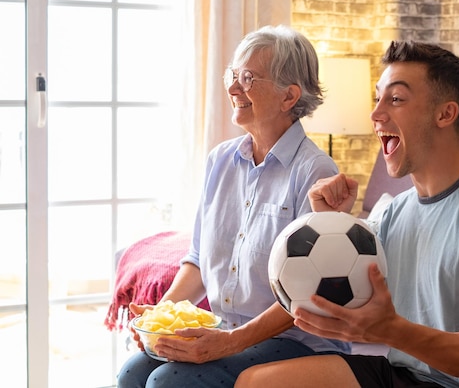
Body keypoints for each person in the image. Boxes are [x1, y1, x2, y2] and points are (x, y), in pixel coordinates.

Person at [234, 41, 459, 388]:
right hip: (407, 375)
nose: (375, 115)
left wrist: (392, 330)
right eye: (377, 99)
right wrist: (329, 221)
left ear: (445, 114)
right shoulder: (397, 212)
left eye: (397, 99)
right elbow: (345, 290)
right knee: (258, 382)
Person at [117, 25, 350, 388]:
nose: (232, 87)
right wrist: (160, 318)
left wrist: (229, 343)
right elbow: (196, 259)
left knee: (169, 382)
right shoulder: (220, 160)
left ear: (289, 97)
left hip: (296, 342)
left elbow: (309, 292)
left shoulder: (315, 170)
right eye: (233, 75)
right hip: (228, 330)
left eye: (248, 77)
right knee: (133, 372)